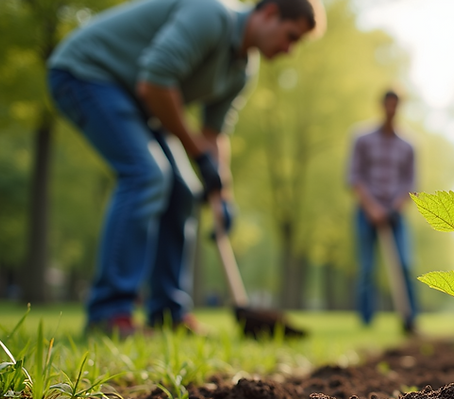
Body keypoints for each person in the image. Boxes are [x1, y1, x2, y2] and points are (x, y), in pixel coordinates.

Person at [47, 0, 322, 336]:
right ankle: (109, 313)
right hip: (88, 74)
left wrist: (222, 194)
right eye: (290, 36)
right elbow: (156, 83)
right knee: (146, 174)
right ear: (268, 13)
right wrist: (197, 152)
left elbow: (214, 135)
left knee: (185, 192)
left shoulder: (241, 70)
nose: (289, 49)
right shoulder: (210, 15)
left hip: (139, 102)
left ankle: (168, 314)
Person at [347, 90, 418, 333]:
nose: (391, 110)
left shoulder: (409, 145)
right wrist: (372, 207)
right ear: (381, 106)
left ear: (399, 108)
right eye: (387, 105)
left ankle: (410, 319)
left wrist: (393, 208)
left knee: (405, 265)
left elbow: (411, 184)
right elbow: (354, 176)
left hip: (396, 214)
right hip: (366, 211)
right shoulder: (362, 139)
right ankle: (366, 323)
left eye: (395, 106)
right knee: (367, 269)